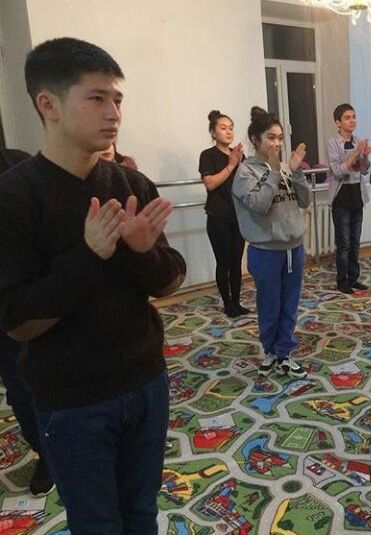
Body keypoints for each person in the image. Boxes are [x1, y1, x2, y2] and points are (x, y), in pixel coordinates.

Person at [0, 37, 186, 533]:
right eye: (97, 98)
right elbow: (18, 322)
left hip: (146, 381)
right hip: (73, 400)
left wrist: (143, 251)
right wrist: (88, 255)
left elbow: (170, 281)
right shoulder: (16, 197)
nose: (114, 113)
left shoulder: (130, 184)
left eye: (118, 99)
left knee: (141, 514)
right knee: (97, 524)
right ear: (48, 105)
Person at [233, 107, 310, 379]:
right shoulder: (245, 173)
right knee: (270, 304)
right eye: (271, 138)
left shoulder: (286, 169)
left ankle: (284, 353)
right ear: (256, 139)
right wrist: (274, 173)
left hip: (294, 248)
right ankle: (270, 351)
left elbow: (304, 201)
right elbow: (260, 204)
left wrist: (296, 172)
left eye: (279, 138)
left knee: (290, 303)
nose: (277, 143)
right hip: (266, 251)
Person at [0, 148, 54, 496]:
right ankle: (46, 450)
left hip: (31, 301)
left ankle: (56, 450)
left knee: (38, 383)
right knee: (19, 391)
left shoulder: (19, 166)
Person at [199, 110, 251, 317]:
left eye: (231, 128)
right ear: (213, 132)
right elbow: (210, 184)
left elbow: (245, 184)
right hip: (218, 218)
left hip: (238, 217)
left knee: (237, 262)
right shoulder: (208, 155)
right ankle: (227, 304)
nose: (228, 132)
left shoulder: (239, 155)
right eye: (223, 128)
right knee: (224, 263)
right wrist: (231, 165)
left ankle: (236, 302)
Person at [326, 103, 371, 294]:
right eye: (347, 118)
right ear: (338, 122)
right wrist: (354, 155)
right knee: (343, 243)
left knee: (355, 242)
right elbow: (337, 171)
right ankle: (342, 280)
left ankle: (354, 278)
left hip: (356, 196)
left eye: (354, 117)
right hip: (341, 198)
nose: (352, 120)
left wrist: (364, 157)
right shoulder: (333, 143)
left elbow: (364, 170)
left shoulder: (358, 141)